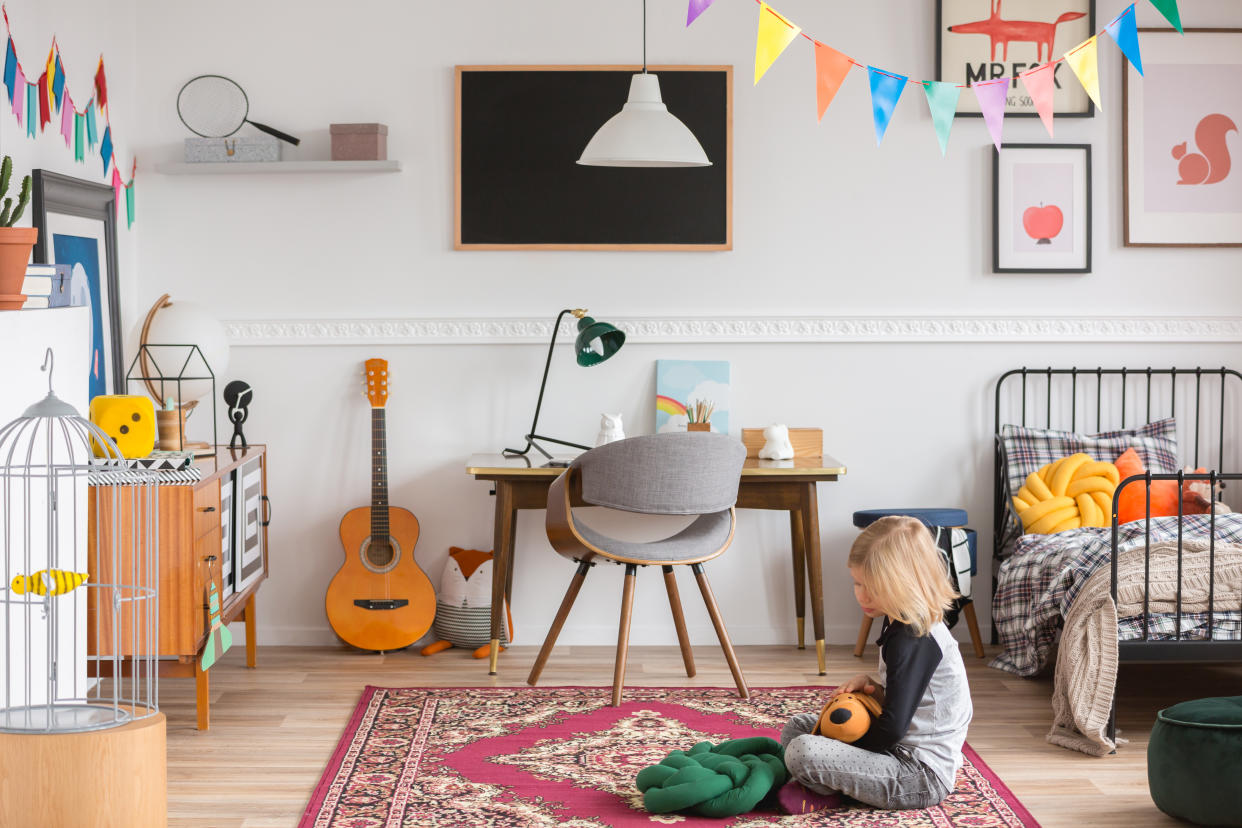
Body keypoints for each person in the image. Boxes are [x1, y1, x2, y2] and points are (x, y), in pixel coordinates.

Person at [778, 516, 972, 814]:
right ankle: (829, 780)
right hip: (898, 749)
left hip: (918, 774)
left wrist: (847, 747)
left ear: (907, 582)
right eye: (858, 583)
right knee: (797, 728)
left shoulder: (913, 636)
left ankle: (824, 789)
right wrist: (873, 685)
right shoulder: (900, 615)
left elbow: (893, 728)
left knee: (803, 750)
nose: (862, 595)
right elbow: (912, 699)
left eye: (874, 587)